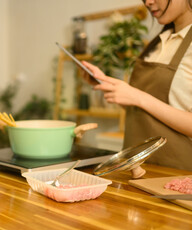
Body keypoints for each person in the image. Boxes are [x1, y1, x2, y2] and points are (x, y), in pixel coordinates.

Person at [81, 0, 192, 170]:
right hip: (136, 170)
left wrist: (138, 97)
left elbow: (144, 101)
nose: (148, 2)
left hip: (178, 175)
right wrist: (111, 87)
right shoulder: (159, 42)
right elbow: (146, 113)